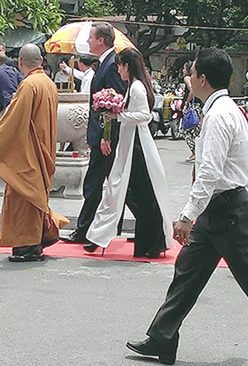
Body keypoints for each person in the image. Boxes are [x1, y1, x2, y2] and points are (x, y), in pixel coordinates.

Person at [126, 47, 248, 366]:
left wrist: (186, 216)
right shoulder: (225, 108)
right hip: (223, 209)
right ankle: (162, 336)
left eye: (191, 73)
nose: (189, 78)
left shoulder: (220, 114)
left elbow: (209, 172)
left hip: (226, 211)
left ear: (202, 79)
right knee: (186, 274)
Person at [0, 44, 68, 262]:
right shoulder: (48, 83)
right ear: (41, 61)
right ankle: (37, 239)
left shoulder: (28, 85)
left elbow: (14, 119)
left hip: (28, 151)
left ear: (20, 62)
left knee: (22, 198)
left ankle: (27, 246)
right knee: (35, 197)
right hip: (44, 149)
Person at [84, 47, 175, 258]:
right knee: (127, 192)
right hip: (131, 143)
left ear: (127, 66)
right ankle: (106, 237)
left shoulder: (136, 88)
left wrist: (119, 115)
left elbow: (144, 115)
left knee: (135, 194)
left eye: (119, 65)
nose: (118, 70)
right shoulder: (133, 86)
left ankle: (151, 241)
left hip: (137, 146)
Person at [63, 22, 127, 244]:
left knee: (94, 182)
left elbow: (113, 104)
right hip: (100, 134)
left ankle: (84, 229)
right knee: (107, 182)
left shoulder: (111, 64)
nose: (88, 42)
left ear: (101, 40)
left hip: (106, 136)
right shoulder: (104, 63)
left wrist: (105, 136)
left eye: (91, 38)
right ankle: (104, 228)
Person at [181, 61, 201, 162]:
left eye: (184, 68)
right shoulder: (195, 79)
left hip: (192, 107)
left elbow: (192, 90)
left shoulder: (187, 78)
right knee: (196, 130)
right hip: (198, 106)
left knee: (185, 130)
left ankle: (194, 151)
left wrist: (186, 103)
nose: (183, 70)